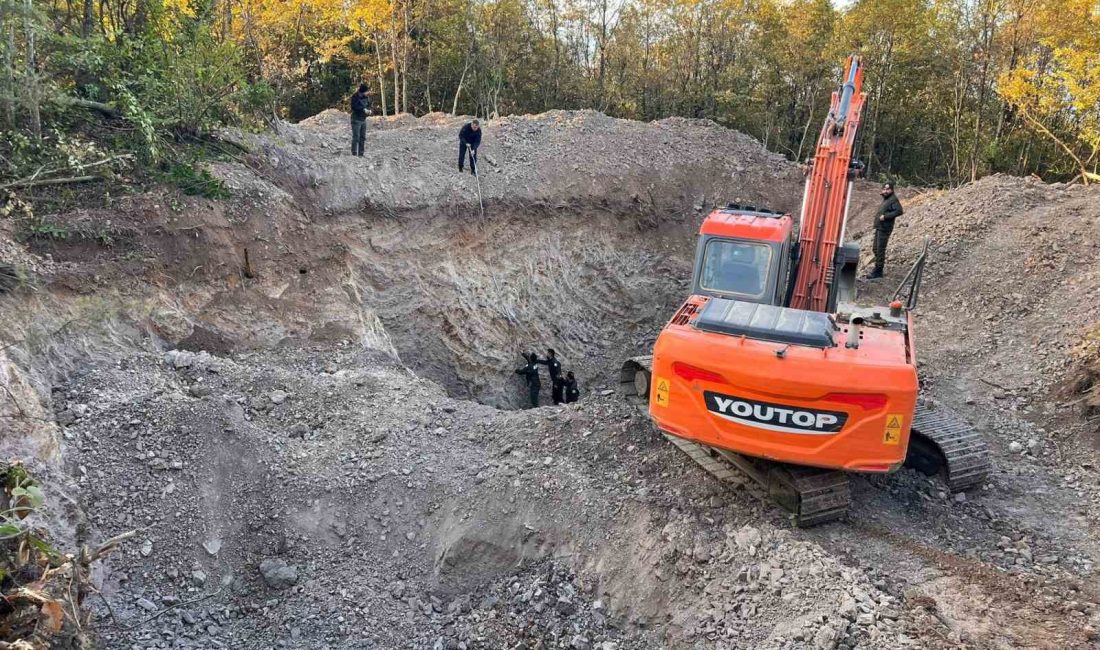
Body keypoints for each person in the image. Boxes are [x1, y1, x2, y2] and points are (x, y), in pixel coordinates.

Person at [868, 182, 904, 279]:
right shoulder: (886, 199)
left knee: (880, 250)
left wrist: (886, 216)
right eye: (884, 189)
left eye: (887, 189)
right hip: (880, 227)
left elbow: (899, 211)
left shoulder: (893, 199)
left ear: (891, 190)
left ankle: (878, 272)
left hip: (885, 228)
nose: (885, 191)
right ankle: (877, 267)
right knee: (875, 249)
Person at [350, 84, 371, 157]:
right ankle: (354, 153)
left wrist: (369, 111)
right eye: (366, 91)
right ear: (362, 91)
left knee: (363, 137)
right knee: (356, 137)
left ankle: (361, 153)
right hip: (356, 119)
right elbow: (354, 107)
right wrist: (362, 109)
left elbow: (369, 105)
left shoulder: (366, 97)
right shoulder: (355, 97)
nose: (368, 93)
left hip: (363, 119)